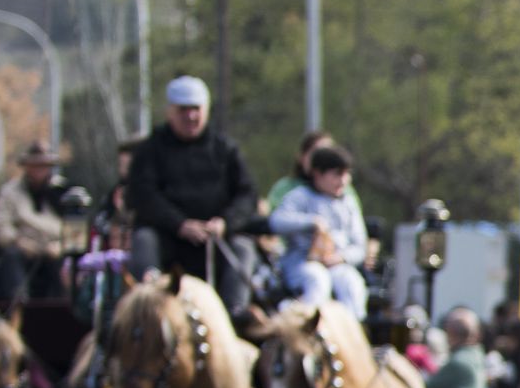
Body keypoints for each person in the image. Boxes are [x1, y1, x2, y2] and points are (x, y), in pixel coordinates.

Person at [124, 76, 266, 304]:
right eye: (183, 110)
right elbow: (143, 195)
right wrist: (180, 224)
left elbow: (246, 194)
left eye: (196, 109)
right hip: (168, 237)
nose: (191, 116)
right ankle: (147, 307)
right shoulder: (150, 150)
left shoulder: (225, 150)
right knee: (143, 240)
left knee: (243, 249)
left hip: (215, 239)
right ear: (169, 111)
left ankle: (234, 317)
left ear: (206, 110)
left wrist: (224, 222)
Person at [269, 140, 373, 311]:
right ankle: (312, 330)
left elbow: (359, 246)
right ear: (317, 174)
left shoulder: (348, 203)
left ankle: (349, 332)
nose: (344, 181)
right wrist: (311, 221)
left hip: (337, 263)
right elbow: (277, 221)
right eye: (337, 174)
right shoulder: (300, 196)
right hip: (302, 262)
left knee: (352, 283)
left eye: (347, 174)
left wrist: (342, 257)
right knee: (318, 279)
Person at [0, 142, 87, 309]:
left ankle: (65, 308)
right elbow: (1, 226)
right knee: (11, 257)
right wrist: (19, 241)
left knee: (68, 265)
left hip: (56, 248)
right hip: (24, 246)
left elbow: (76, 231)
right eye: (35, 166)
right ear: (26, 167)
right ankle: (18, 306)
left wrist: (61, 246)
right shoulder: (10, 192)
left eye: (43, 166)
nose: (39, 171)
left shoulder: (66, 192)